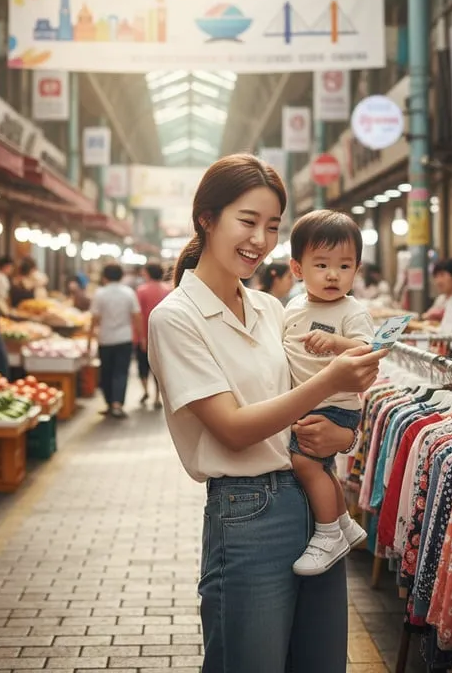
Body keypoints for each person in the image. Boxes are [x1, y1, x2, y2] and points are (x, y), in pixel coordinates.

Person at [147, 154, 386, 673]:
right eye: (247, 221)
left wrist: (342, 439)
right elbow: (232, 430)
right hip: (248, 512)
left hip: (315, 503)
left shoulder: (272, 309)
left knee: (321, 664)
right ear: (206, 218)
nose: (260, 239)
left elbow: (313, 404)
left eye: (272, 226)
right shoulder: (176, 319)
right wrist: (331, 379)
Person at [283, 210, 373, 576]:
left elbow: (368, 352)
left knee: (305, 463)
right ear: (297, 268)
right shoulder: (292, 308)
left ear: (357, 269)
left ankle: (328, 533)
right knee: (323, 467)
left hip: (335, 407)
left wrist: (337, 343)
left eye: (344, 265)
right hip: (304, 403)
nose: (333, 275)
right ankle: (344, 524)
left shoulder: (353, 311)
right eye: (321, 264)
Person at [89, 263, 140, 419]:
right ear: (121, 276)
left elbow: (95, 319)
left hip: (106, 339)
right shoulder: (129, 293)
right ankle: (117, 404)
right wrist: (140, 336)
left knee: (106, 372)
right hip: (124, 338)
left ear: (104, 277)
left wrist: (89, 339)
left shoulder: (100, 294)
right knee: (121, 372)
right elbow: (137, 316)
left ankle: (110, 403)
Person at [135, 261, 170, 408]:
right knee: (159, 368)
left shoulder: (141, 290)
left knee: (143, 365)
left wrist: (141, 337)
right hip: (163, 335)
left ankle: (145, 391)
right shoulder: (168, 290)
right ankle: (157, 397)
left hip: (143, 333)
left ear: (148, 273)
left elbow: (138, 315)